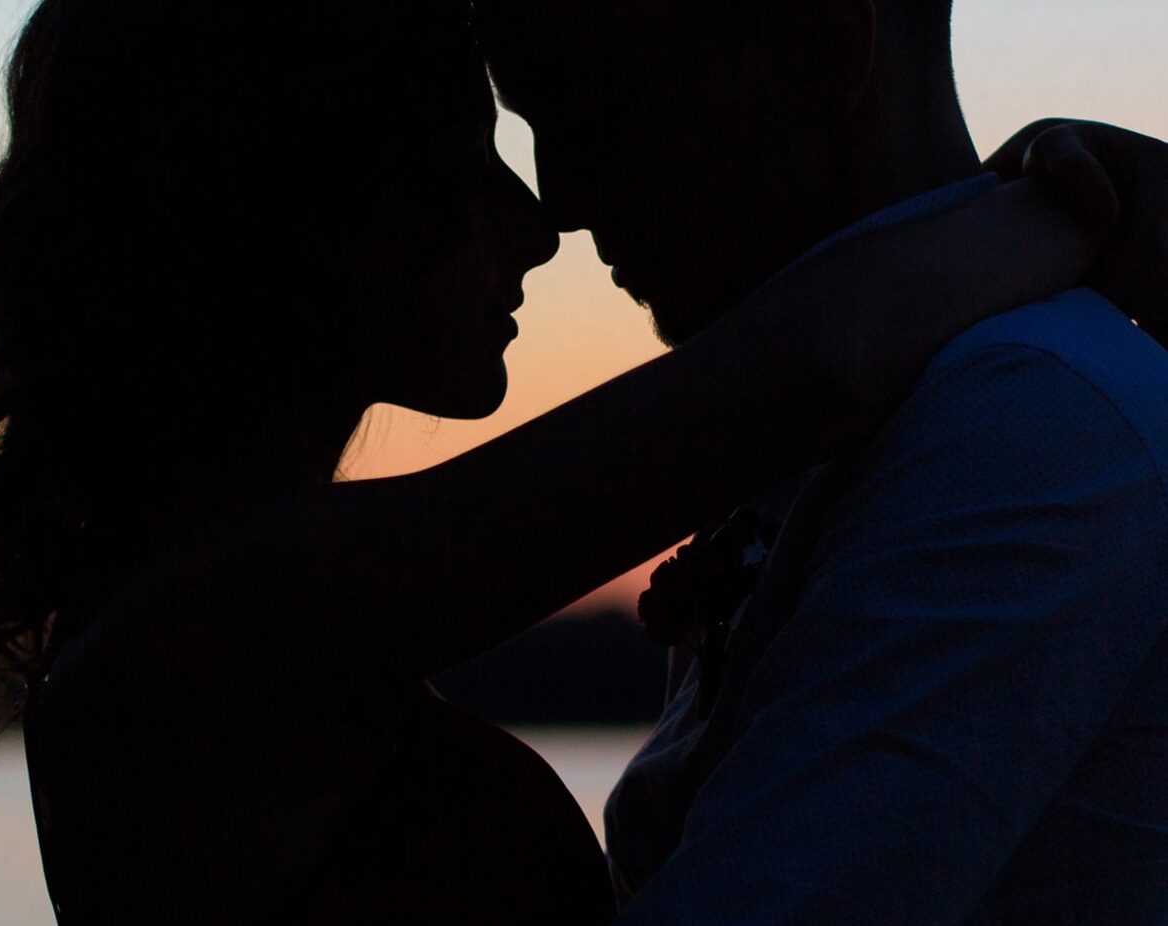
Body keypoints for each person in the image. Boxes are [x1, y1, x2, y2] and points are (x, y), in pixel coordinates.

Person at [0, 0, 1164, 922]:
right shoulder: (230, 615)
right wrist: (1061, 200)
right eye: (464, 156)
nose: (540, 212)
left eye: (580, 111)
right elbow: (813, 359)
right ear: (302, 210)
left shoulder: (221, 604)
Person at [475, 0, 1168, 922]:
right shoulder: (827, 422)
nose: (558, 202)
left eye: (595, 106)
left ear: (827, 46)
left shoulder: (1025, 420)